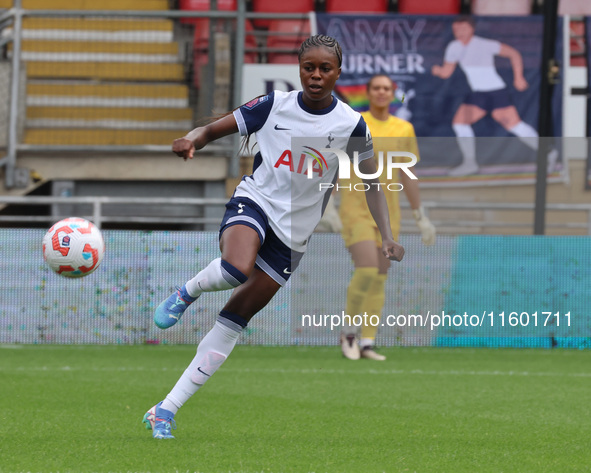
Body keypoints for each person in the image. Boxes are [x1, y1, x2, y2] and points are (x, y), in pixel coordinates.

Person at [141, 35, 405, 439]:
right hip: (256, 202)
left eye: (325, 69)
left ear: (338, 73)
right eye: (308, 68)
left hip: (294, 236)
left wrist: (386, 234)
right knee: (234, 268)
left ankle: (165, 410)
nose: (316, 76)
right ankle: (187, 291)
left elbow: (372, 182)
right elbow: (214, 129)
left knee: (234, 321)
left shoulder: (351, 124)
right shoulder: (274, 105)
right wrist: (192, 139)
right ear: (299, 69)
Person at [339, 75, 436, 361]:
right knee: (367, 269)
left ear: (393, 94)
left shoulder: (403, 128)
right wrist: (329, 206)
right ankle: (348, 334)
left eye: (387, 88)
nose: (382, 92)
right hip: (356, 208)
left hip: (387, 215)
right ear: (368, 93)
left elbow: (407, 172)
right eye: (376, 88)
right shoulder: (356, 123)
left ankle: (367, 342)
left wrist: (420, 216)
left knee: (380, 276)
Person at [431, 15, 557, 176]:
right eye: (456, 29)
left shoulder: (485, 45)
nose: (459, 32)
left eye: (462, 28)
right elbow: (447, 72)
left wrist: (518, 77)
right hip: (478, 94)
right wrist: (438, 71)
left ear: (471, 29)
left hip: (496, 91)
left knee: (515, 126)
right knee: (460, 123)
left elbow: (513, 53)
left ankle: (548, 153)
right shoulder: (453, 47)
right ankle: (470, 163)